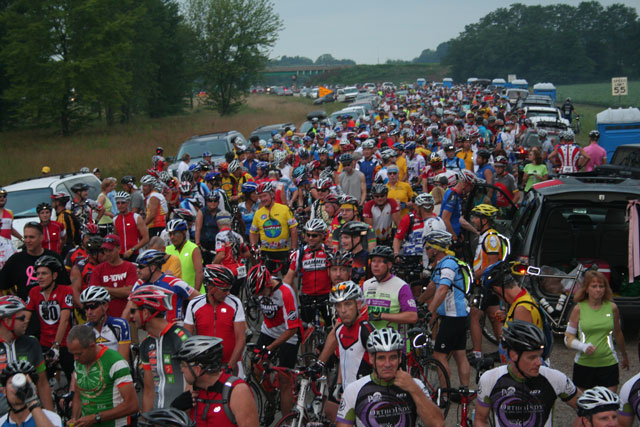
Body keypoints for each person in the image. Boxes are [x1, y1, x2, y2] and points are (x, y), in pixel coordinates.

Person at [475, 320, 579, 427]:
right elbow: (480, 420)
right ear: (513, 355)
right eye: (532, 357)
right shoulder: (490, 379)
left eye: (540, 356)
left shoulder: (555, 378)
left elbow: (589, 410)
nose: (539, 362)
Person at [336, 328, 445, 427]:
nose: (387, 364)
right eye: (381, 358)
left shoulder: (415, 385)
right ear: (370, 358)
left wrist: (413, 388)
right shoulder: (353, 390)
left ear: (400, 359)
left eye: (392, 357)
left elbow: (438, 423)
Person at [310, 281, 374, 420]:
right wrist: (339, 384)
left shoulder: (366, 331)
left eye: (348, 304)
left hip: (365, 397)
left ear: (358, 304)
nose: (343, 310)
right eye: (338, 305)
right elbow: (345, 360)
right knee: (328, 410)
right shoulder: (339, 330)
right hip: (347, 392)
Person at [246, 264, 301, 416]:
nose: (260, 296)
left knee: (284, 381)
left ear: (268, 284)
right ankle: (271, 397)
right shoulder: (262, 289)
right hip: (268, 331)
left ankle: (287, 421)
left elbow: (293, 329)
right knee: (255, 367)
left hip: (288, 335)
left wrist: (270, 348)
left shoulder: (285, 293)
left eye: (261, 292)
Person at [419, 230, 470, 388]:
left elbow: (442, 289)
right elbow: (432, 287)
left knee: (439, 355)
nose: (426, 252)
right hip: (459, 316)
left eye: (428, 248)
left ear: (435, 249)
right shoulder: (444, 264)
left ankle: (445, 393)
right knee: (459, 354)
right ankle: (464, 391)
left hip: (452, 317)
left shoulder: (448, 264)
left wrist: (429, 311)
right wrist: (418, 301)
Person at [128, 285, 191, 412]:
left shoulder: (180, 337)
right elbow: (149, 391)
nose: (131, 316)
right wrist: (146, 421)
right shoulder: (146, 344)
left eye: (133, 311)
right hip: (158, 418)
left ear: (145, 313)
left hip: (180, 418)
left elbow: (191, 385)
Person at [172, 336, 258, 426]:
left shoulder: (238, 391)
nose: (181, 370)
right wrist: (175, 410)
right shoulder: (191, 392)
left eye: (184, 365)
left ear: (197, 370)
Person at [565, 270, 628, 392]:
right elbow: (568, 338)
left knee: (609, 405)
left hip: (608, 364)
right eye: (594, 286)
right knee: (584, 406)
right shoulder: (578, 309)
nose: (598, 289)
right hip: (584, 365)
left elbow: (618, 333)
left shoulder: (612, 308)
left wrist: (625, 355)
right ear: (586, 289)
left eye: (601, 286)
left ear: (605, 289)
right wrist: (583, 346)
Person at [67, 324, 138, 427]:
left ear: (92, 346)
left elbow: (132, 405)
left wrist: (96, 418)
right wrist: (74, 419)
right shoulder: (79, 362)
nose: (75, 358)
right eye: (72, 354)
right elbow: (79, 395)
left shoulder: (115, 362)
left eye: (79, 354)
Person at [184, 265, 246, 372]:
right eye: (225, 290)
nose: (228, 293)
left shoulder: (235, 303)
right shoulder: (194, 304)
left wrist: (230, 366)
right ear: (211, 287)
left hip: (230, 363)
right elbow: (187, 338)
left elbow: (241, 338)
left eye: (229, 289)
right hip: (204, 365)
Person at [481, 260, 545, 363]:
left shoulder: (521, 308)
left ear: (497, 289)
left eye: (494, 293)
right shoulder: (522, 300)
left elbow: (521, 350)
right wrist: (508, 318)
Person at [469, 204, 509, 362]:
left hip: (485, 284)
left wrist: (473, 275)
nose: (473, 220)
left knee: (474, 317)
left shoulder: (491, 238)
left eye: (476, 217)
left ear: (484, 220)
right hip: (487, 285)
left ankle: (477, 353)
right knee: (495, 318)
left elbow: (492, 265)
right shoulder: (485, 236)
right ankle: (504, 351)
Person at [0, 296, 53, 413]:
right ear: (7, 321)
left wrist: (51, 417)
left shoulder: (31, 343)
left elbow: (42, 383)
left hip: (30, 412)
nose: (26, 321)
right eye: (21, 318)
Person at [25, 255, 74, 382]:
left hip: (64, 344)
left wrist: (56, 346)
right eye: (38, 273)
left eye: (44, 273)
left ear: (54, 276)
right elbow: (25, 318)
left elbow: (64, 320)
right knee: (41, 380)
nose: (39, 277)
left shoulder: (66, 290)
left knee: (73, 377)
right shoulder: (34, 292)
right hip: (44, 343)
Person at [127, 249, 198, 323]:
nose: (137, 270)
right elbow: (129, 308)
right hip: (152, 332)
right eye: (137, 267)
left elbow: (199, 299)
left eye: (141, 267)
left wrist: (188, 320)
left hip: (174, 331)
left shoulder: (175, 282)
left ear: (152, 268)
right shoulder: (139, 283)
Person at [283, 219, 332, 324]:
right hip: (307, 297)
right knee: (306, 332)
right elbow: (288, 278)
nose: (310, 238)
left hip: (326, 296)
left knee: (330, 328)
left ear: (322, 235)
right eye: (308, 234)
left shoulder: (329, 253)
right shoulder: (299, 254)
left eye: (314, 235)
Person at [363, 245, 417, 334]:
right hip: (369, 340)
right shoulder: (366, 284)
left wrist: (381, 316)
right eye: (373, 261)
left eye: (380, 261)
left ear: (389, 265)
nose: (375, 265)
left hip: (394, 341)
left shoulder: (401, 286)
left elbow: (412, 317)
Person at [249, 182, 298, 275]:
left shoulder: (284, 209)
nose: (263, 199)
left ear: (272, 195)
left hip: (283, 251)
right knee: (268, 281)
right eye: (260, 197)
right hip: (266, 252)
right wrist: (253, 245)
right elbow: (253, 232)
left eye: (265, 196)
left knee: (288, 279)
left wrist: (293, 249)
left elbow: (293, 229)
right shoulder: (258, 213)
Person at [89, 234, 137, 318]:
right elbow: (95, 295)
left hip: (128, 318)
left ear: (119, 249)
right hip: (104, 318)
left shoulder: (130, 267)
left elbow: (130, 292)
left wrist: (105, 289)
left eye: (110, 250)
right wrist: (120, 292)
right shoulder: (98, 270)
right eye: (105, 250)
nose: (107, 253)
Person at [0, 361, 61, 427]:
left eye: (23, 383)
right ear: (4, 391)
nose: (17, 389)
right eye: (12, 383)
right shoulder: (1, 423)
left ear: (34, 388)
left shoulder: (51, 418)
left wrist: (31, 401)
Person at [80, 286, 131, 362]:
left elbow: (123, 362)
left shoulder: (120, 325)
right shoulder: (84, 329)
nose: (89, 312)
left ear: (105, 306)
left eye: (93, 306)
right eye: (86, 308)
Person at [212, 212, 249, 289]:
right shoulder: (238, 236)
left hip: (227, 272)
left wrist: (212, 266)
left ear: (217, 223)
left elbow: (221, 255)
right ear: (230, 222)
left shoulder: (220, 236)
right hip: (240, 271)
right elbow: (246, 254)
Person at [165, 219, 203, 293]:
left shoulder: (193, 248)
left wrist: (195, 293)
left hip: (192, 293)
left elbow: (199, 272)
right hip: (175, 294)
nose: (172, 237)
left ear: (184, 232)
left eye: (175, 233)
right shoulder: (167, 250)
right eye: (170, 234)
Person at [440, 170, 479, 242]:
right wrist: (454, 236)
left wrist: (475, 231)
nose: (471, 189)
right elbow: (445, 219)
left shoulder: (456, 195)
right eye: (471, 186)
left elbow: (459, 219)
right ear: (465, 184)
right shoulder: (453, 197)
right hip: (449, 237)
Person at [113, 191, 149, 262]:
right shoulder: (115, 220)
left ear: (128, 203)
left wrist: (132, 249)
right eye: (118, 203)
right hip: (122, 255)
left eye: (123, 203)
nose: (120, 205)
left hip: (136, 253)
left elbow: (146, 238)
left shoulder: (136, 217)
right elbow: (116, 238)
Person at [195, 192, 222, 260]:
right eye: (210, 201)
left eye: (215, 201)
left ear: (218, 202)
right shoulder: (202, 212)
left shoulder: (220, 213)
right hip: (204, 244)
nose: (213, 203)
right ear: (207, 202)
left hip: (217, 244)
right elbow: (198, 229)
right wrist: (197, 244)